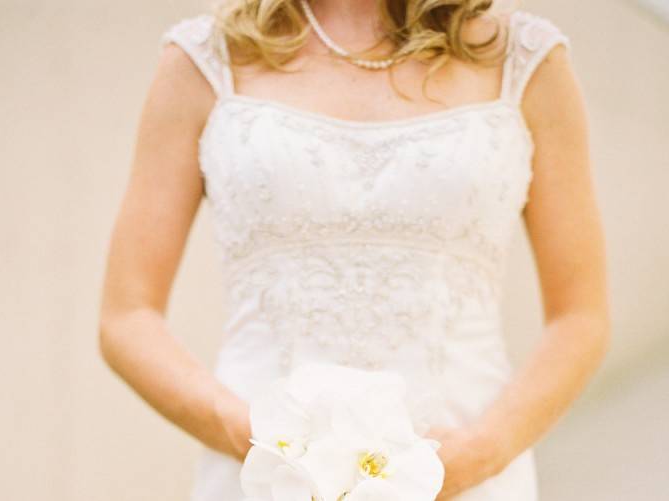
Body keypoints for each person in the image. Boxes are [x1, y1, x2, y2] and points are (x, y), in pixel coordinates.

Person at [98, 0, 611, 499]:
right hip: (264, 479)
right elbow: (127, 316)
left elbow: (580, 317)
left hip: (466, 476)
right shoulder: (204, 60)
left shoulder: (525, 60)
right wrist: (265, 442)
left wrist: (472, 458)